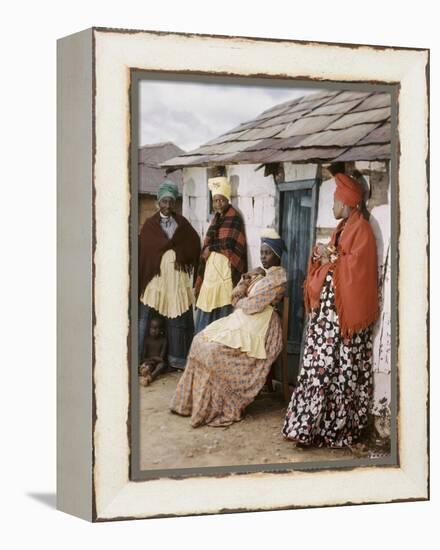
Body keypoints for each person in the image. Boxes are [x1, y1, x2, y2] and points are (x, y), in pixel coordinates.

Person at [282, 172, 379, 448]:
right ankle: (309, 429)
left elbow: (356, 268)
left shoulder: (361, 230)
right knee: (319, 370)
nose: (333, 206)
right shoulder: (343, 228)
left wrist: (330, 256)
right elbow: (339, 259)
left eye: (336, 200)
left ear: (348, 203)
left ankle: (333, 431)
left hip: (342, 322)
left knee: (337, 373)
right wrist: (324, 254)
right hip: (329, 321)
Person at [170, 229, 287, 427]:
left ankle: (219, 406)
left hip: (262, 326)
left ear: (277, 255)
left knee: (215, 352)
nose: (263, 257)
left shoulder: (278, 280)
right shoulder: (262, 275)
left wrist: (240, 301)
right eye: (261, 252)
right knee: (201, 340)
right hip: (245, 321)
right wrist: (247, 278)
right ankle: (190, 405)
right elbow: (235, 295)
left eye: (267, 253)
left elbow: (252, 306)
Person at [138, 180, 201, 370]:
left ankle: (177, 359)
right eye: (164, 201)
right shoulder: (150, 225)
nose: (167, 206)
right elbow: (145, 251)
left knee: (178, 316)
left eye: (171, 202)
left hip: (176, 280)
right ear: (158, 202)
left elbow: (194, 243)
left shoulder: (181, 223)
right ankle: (142, 358)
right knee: (147, 316)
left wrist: (180, 254)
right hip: (155, 280)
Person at [194, 176, 247, 334]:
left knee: (223, 310)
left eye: (221, 200)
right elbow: (207, 244)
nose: (218, 204)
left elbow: (230, 244)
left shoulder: (235, 218)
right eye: (215, 200)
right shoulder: (215, 219)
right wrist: (208, 250)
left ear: (227, 199)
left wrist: (211, 248)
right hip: (211, 274)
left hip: (225, 272)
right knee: (206, 308)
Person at [139, 317, 167, 386]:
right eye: (152, 328)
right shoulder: (147, 340)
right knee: (146, 367)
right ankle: (145, 373)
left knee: (162, 365)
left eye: (156, 328)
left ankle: (150, 378)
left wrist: (153, 358)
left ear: (161, 330)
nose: (153, 331)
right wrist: (153, 358)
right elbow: (143, 358)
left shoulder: (163, 341)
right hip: (149, 363)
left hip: (157, 364)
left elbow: (161, 359)